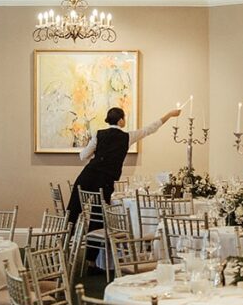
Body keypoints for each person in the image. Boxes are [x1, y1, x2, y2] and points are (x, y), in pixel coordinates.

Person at [67, 105, 181, 262]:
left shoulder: (98, 134)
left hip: (86, 176)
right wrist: (168, 114)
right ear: (121, 120)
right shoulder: (128, 137)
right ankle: (91, 261)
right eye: (124, 118)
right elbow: (150, 129)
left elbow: (83, 156)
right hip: (105, 181)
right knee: (97, 218)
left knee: (72, 211)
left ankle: (61, 248)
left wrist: (98, 153)